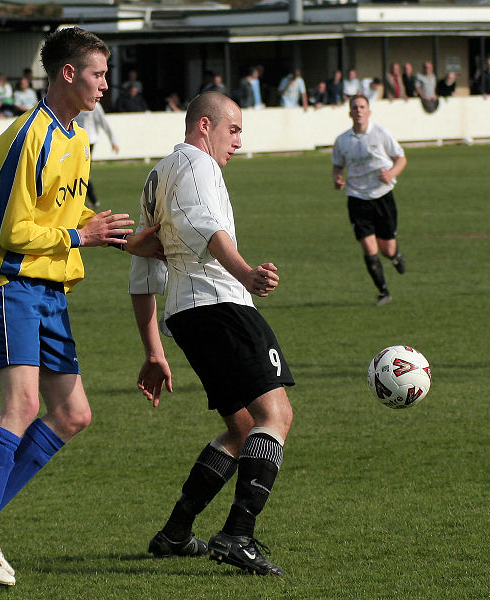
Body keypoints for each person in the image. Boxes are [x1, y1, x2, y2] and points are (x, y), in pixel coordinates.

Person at [0, 26, 162, 587]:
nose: (105, 85)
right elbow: (14, 231)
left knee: (72, 415)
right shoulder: (25, 138)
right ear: (68, 74)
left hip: (50, 288)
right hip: (7, 283)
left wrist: (124, 239)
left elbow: (76, 213)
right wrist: (80, 237)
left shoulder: (76, 138)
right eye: (98, 74)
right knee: (20, 405)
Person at [129, 92, 295, 577]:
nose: (238, 142)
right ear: (206, 125)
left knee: (244, 428)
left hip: (185, 314)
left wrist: (153, 350)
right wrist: (245, 273)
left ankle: (176, 532)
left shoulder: (157, 176)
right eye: (234, 130)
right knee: (276, 414)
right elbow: (208, 229)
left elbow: (142, 268)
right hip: (220, 304)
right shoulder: (199, 167)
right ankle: (237, 536)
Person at [331, 95, 407, 306]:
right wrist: (337, 179)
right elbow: (338, 165)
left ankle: (395, 256)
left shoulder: (381, 134)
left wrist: (392, 173)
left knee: (387, 249)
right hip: (357, 198)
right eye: (355, 107)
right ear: (350, 112)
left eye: (362, 107)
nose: (359, 110)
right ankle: (383, 292)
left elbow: (401, 158)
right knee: (368, 246)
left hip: (382, 196)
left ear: (369, 111)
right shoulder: (342, 140)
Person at [74, 101, 120, 209]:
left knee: (83, 172)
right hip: (75, 141)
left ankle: (92, 201)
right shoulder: (74, 102)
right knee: (77, 171)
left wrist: (113, 141)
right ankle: (86, 201)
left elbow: (104, 123)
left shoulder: (95, 106)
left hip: (89, 141)